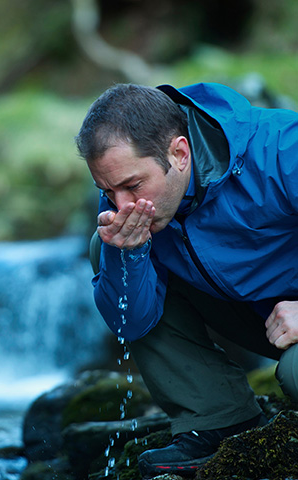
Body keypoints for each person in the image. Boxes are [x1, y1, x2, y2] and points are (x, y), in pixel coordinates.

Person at [75, 82, 298, 477]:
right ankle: (219, 418)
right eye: (107, 190)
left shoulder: (282, 149)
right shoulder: (122, 202)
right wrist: (129, 255)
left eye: (132, 186)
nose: (122, 205)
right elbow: (132, 324)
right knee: (106, 245)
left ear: (179, 153)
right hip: (254, 316)